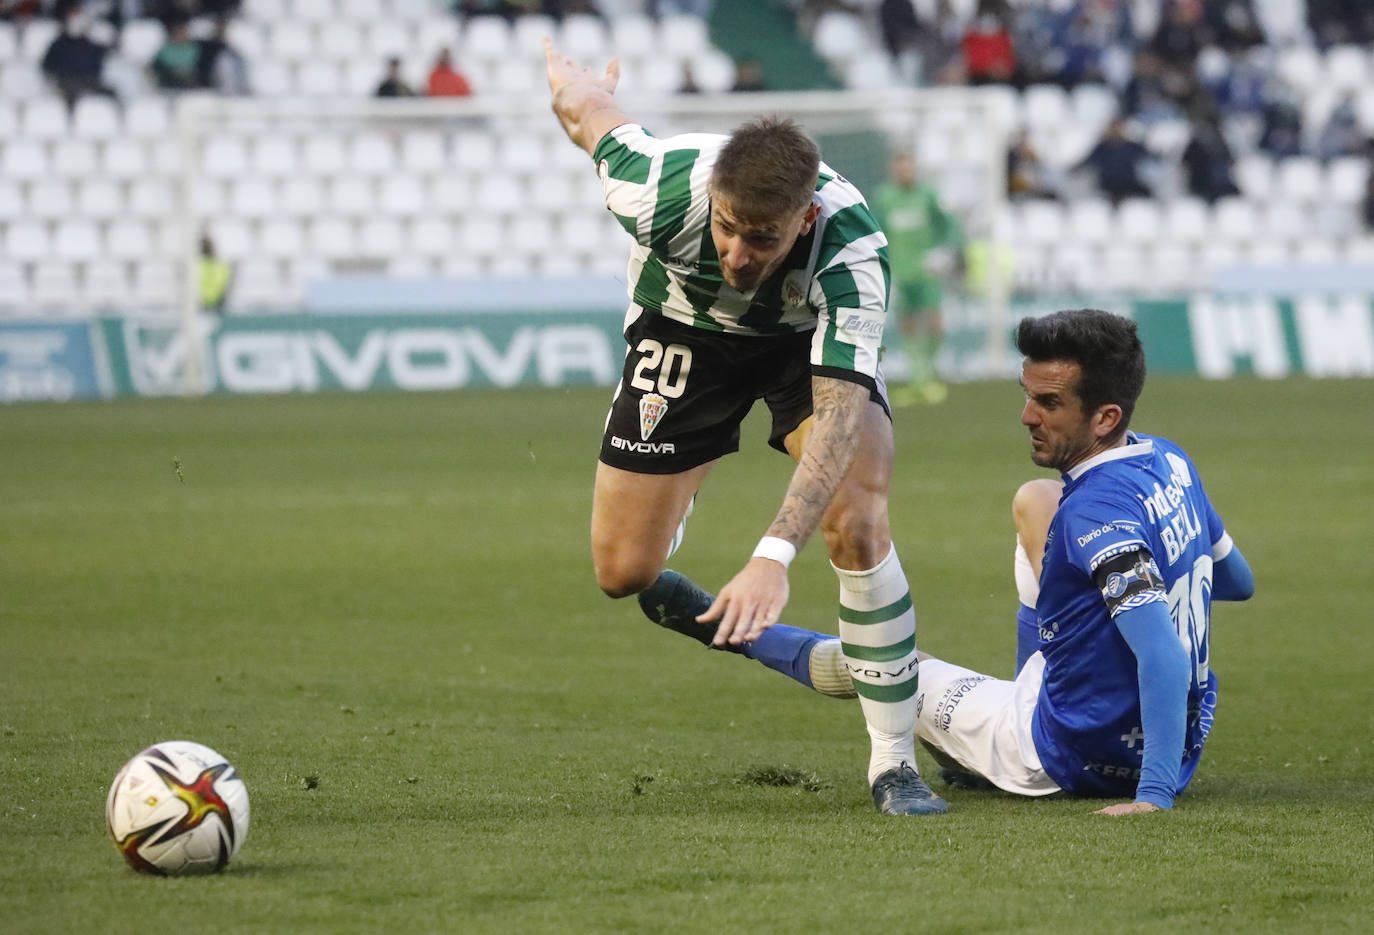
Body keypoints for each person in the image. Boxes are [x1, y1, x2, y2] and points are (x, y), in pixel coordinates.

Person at [544, 39, 945, 816]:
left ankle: (894, 763)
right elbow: (590, 117)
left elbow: (835, 420)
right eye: (727, 228)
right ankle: (684, 508)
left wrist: (772, 555)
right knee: (623, 571)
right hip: (681, 332)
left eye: (762, 239)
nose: (736, 253)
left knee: (858, 517)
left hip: (803, 350)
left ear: (807, 219)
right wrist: (579, 86)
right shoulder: (657, 188)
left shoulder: (853, 251)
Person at [643, 309, 1255, 815]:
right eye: (1027, 396)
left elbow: (1163, 654)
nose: (1027, 416)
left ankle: (734, 634)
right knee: (1036, 500)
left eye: (1049, 403)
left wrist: (1152, 797)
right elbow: (1237, 581)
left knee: (893, 667)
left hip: (1071, 752)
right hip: (1177, 742)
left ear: (1105, 417)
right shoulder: (1171, 462)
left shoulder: (1098, 514)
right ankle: (1029, 687)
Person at [870, 150, 962, 406]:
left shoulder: (929, 195)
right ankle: (917, 381)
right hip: (900, 271)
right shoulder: (885, 198)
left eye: (908, 165)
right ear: (893, 169)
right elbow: (877, 231)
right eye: (900, 166)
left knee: (935, 323)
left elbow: (950, 224)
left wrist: (942, 251)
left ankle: (929, 375)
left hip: (927, 271)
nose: (905, 171)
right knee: (907, 325)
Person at [1074, 116, 1154, 205]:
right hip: (1109, 185)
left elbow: (1149, 154)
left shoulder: (1132, 147)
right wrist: (1074, 169)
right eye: (1114, 128)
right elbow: (1086, 162)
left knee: (1147, 196)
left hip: (1129, 184)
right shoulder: (1102, 148)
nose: (1116, 131)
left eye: (1119, 128)